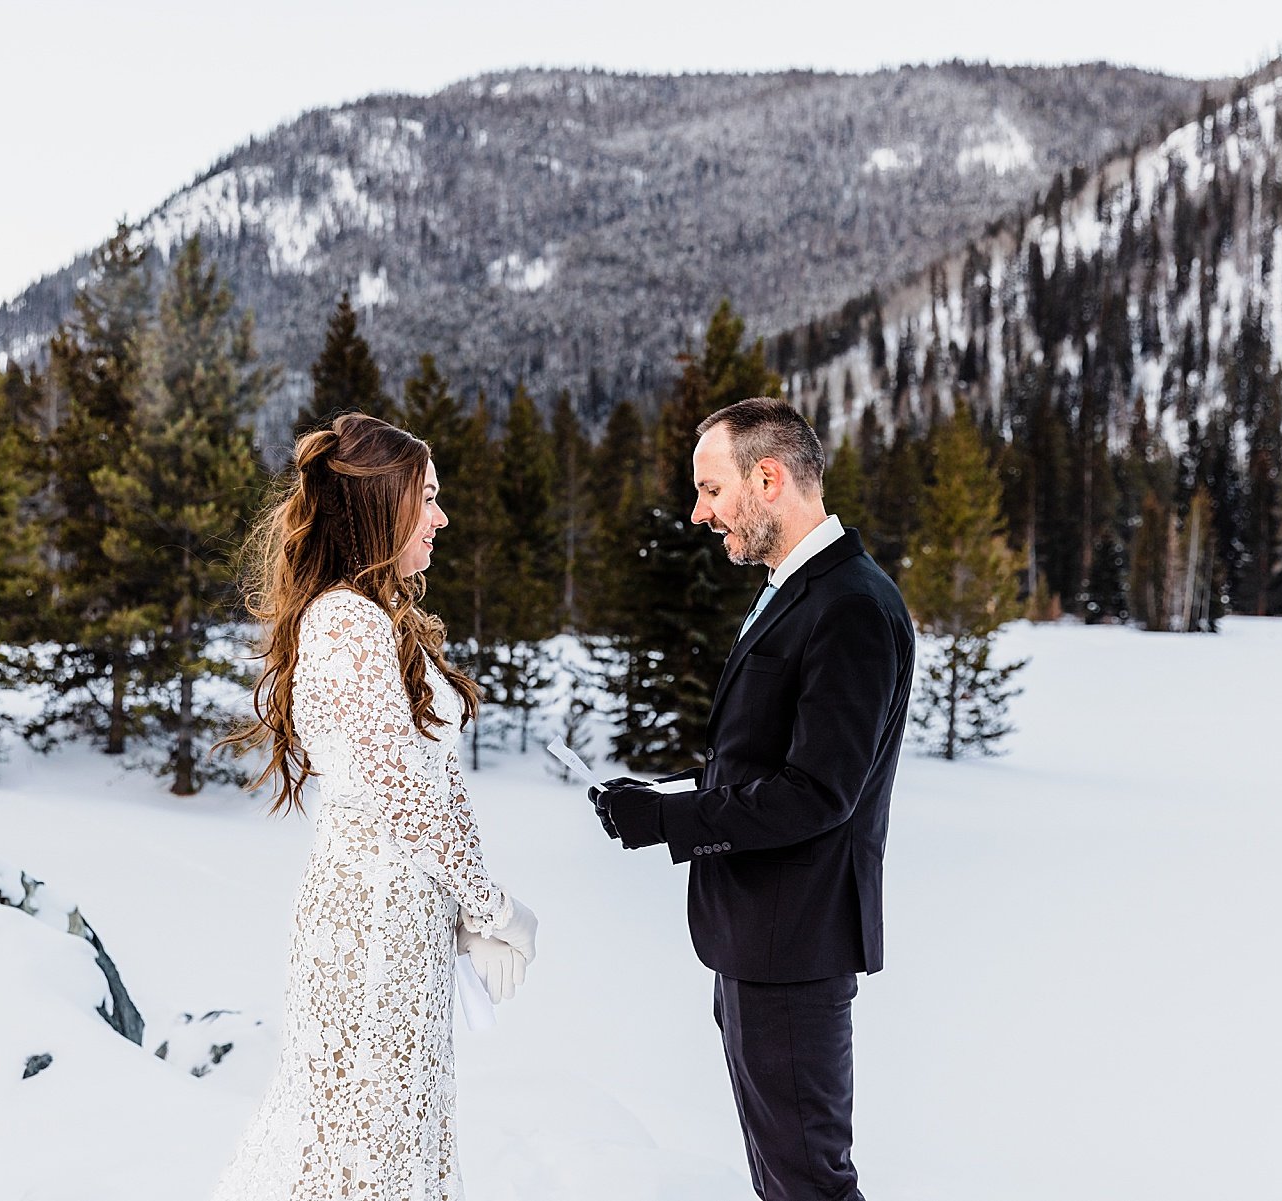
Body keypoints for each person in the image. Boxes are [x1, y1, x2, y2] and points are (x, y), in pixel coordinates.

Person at [590, 397, 914, 1201]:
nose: (699, 513)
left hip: (795, 947)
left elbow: (817, 793)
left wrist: (670, 822)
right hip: (758, 942)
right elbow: (767, 759)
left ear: (767, 478)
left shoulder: (852, 607)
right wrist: (664, 796)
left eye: (710, 490)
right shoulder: (795, 589)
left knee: (809, 1184)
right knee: (785, 1181)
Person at [211, 412, 537, 1201]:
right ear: (383, 503)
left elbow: (441, 781)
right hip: (369, 924)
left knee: (396, 1137)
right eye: (428, 497)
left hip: (408, 918)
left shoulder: (381, 618)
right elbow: (405, 794)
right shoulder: (344, 624)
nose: (441, 517)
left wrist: (469, 907)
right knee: (357, 1142)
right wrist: (492, 905)